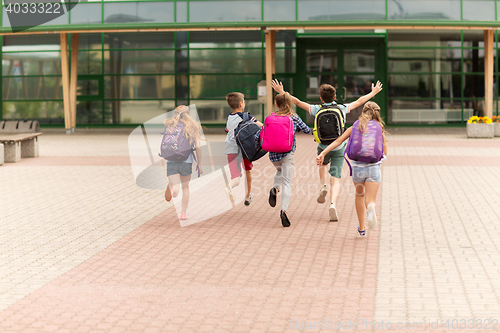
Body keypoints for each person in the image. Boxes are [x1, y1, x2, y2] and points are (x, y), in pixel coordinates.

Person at [271, 79, 383, 222]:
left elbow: (298, 102)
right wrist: (373, 92)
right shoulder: (342, 108)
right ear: (335, 97)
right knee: (335, 178)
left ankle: (323, 185)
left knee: (322, 164)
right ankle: (333, 204)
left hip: (323, 146)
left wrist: (282, 92)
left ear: (321, 98)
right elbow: (360, 101)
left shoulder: (317, 109)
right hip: (338, 148)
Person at [316, 101, 387, 236]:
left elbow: (338, 141)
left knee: (359, 195)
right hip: (373, 168)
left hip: (357, 169)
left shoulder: (354, 127)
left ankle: (361, 227)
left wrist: (323, 153)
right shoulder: (379, 128)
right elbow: (384, 151)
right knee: (370, 199)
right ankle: (371, 206)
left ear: (363, 111)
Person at [258, 92, 312, 227]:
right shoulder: (293, 117)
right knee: (287, 183)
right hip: (287, 153)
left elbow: (260, 135)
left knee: (280, 171)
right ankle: (284, 211)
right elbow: (306, 130)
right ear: (290, 103)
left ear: (276, 104)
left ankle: (275, 188)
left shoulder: (270, 117)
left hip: (273, 155)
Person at [163, 105, 203, 220]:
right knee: (185, 187)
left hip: (171, 160)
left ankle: (172, 186)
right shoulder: (192, 127)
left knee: (175, 188)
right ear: (188, 115)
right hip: (186, 161)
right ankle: (183, 213)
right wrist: (199, 164)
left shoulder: (170, 126)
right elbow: (198, 147)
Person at [225, 92, 262, 205]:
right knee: (248, 172)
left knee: (236, 178)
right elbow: (261, 125)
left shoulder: (229, 117)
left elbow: (227, 130)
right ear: (241, 104)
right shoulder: (247, 116)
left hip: (231, 149)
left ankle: (229, 186)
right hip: (245, 149)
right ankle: (247, 196)